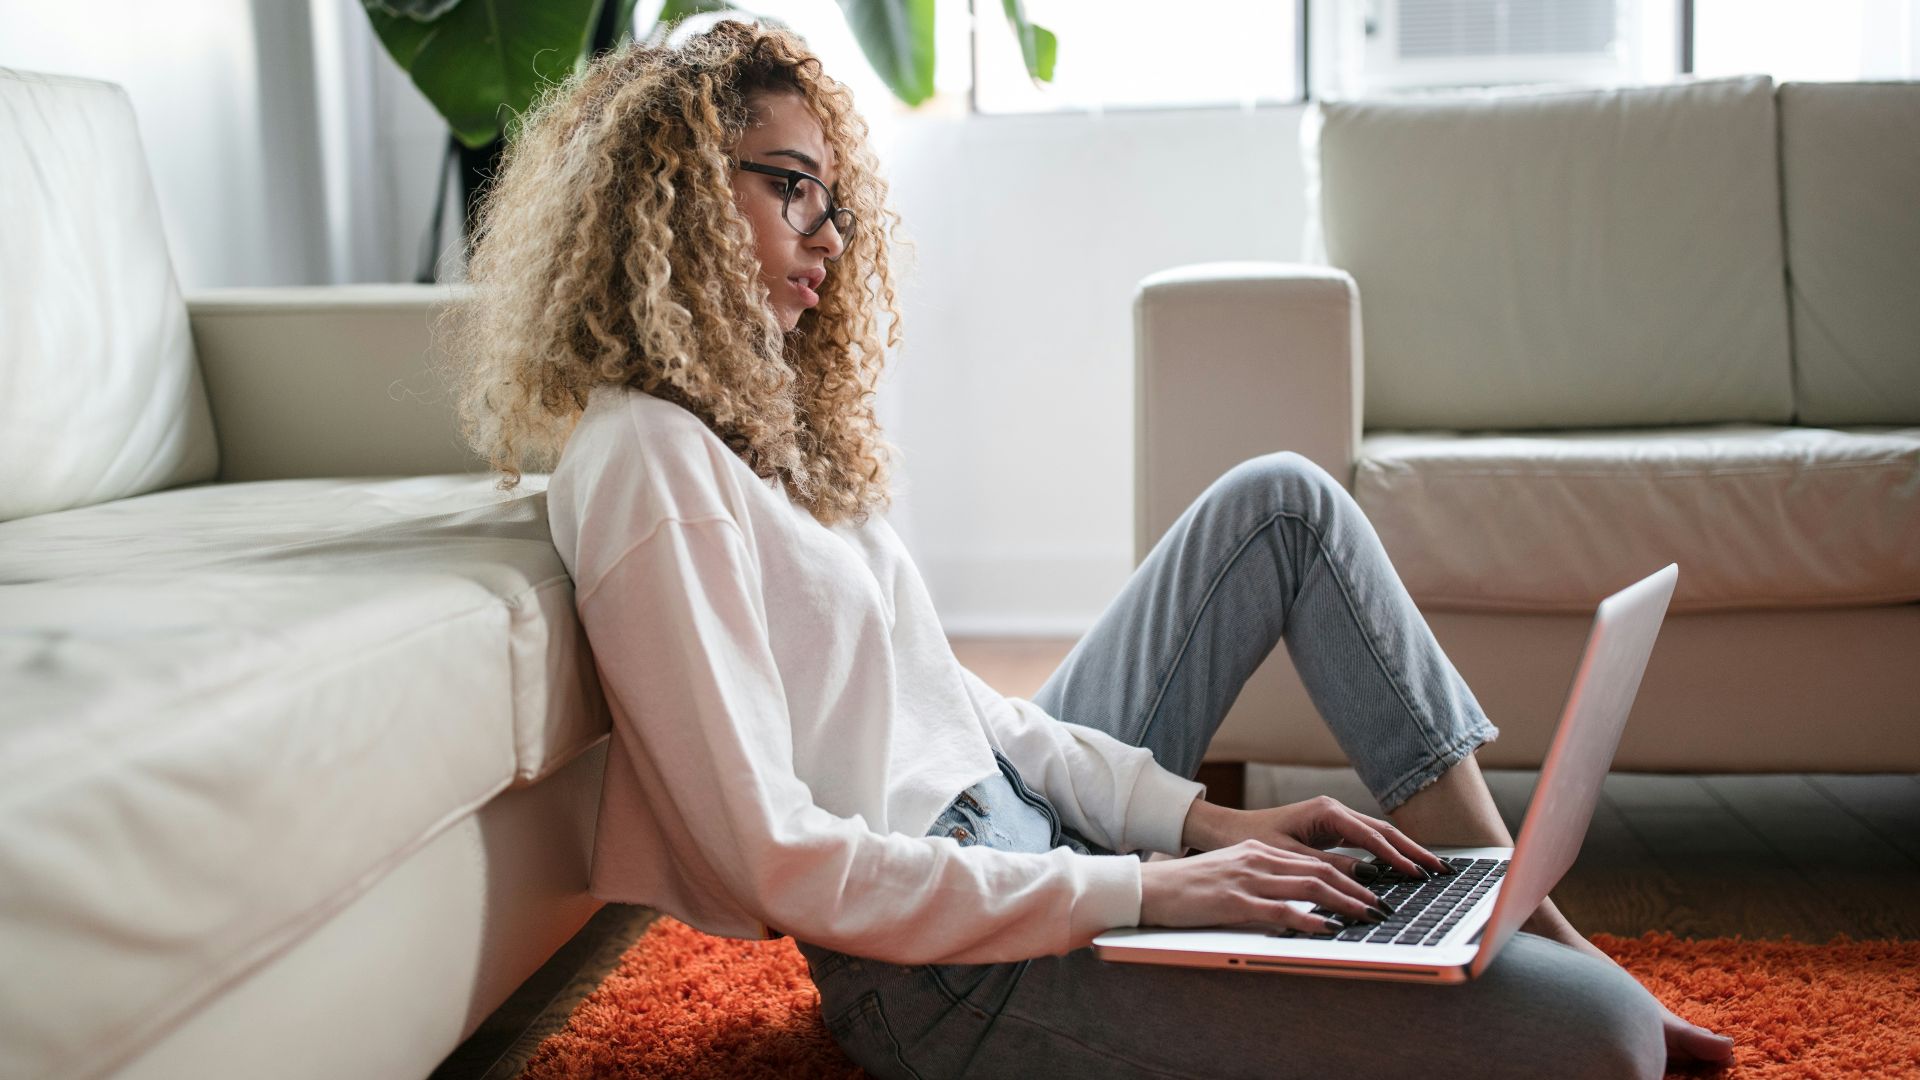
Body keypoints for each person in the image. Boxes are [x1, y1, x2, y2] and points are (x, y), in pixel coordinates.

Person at [441, 19, 1735, 1079]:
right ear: (671, 201)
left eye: (835, 199)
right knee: (1601, 1044)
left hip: (1028, 845)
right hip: (947, 977)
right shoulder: (643, 464)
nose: (830, 238)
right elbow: (771, 856)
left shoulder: (765, 436)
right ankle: (1535, 959)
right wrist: (1145, 892)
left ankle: (1508, 903)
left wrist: (1202, 824)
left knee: (1283, 502)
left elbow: (968, 714)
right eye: (792, 189)